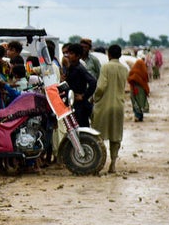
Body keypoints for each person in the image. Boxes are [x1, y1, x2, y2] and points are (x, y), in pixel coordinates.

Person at [91, 44, 127, 173]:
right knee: (115, 136)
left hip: (104, 106)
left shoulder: (106, 67)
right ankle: (113, 164)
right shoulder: (124, 69)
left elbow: (101, 86)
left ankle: (97, 163)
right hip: (119, 106)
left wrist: (94, 97)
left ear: (109, 55)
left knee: (98, 135)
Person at [62, 42, 97, 128]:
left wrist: (84, 96)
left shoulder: (79, 68)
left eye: (71, 53)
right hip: (73, 103)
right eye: (68, 53)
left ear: (78, 56)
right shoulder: (71, 67)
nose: (68, 55)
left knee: (81, 128)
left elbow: (93, 81)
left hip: (80, 106)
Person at [127, 51, 151, 122]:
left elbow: (130, 79)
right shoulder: (143, 73)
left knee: (135, 102)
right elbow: (146, 79)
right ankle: (140, 116)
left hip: (134, 89)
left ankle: (137, 116)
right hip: (141, 90)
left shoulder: (133, 73)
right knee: (141, 102)